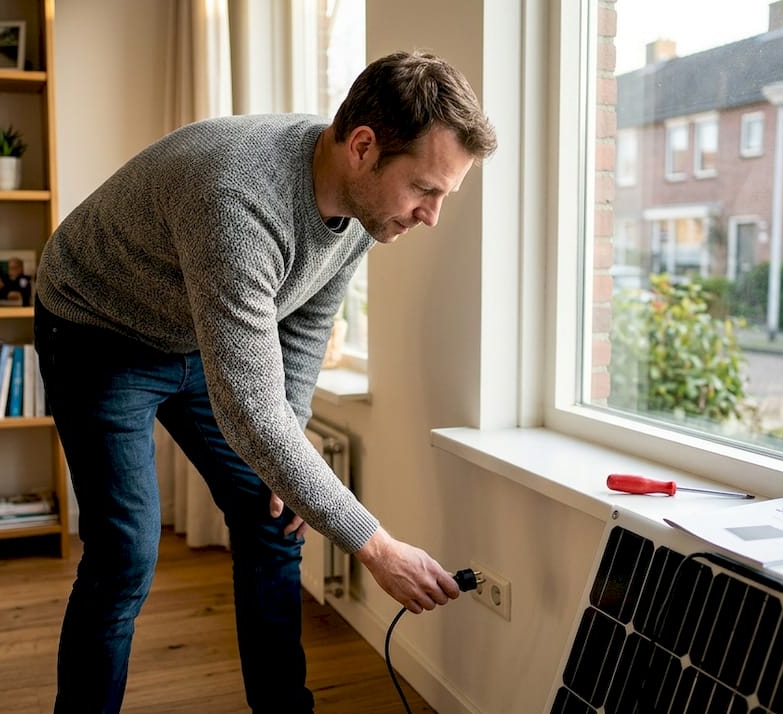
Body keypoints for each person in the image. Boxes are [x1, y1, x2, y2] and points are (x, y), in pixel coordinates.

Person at [34, 49, 496, 713]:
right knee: (124, 555)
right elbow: (250, 409)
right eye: (426, 189)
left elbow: (304, 330)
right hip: (96, 331)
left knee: (276, 521)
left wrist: (294, 457)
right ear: (364, 147)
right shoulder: (237, 200)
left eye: (443, 196)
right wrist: (377, 546)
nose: (431, 214)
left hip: (197, 328)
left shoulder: (366, 212)